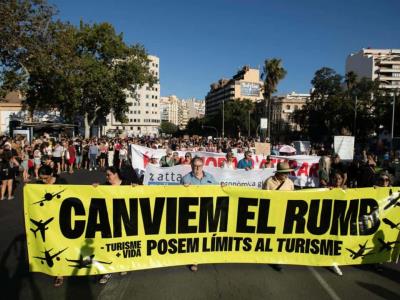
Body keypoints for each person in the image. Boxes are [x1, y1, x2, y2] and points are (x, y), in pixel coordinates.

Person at [96, 166, 132, 284]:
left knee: (123, 244)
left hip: (124, 220)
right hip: (109, 220)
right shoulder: (105, 186)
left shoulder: (127, 183)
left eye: (108, 175)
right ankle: (107, 270)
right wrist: (94, 189)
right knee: (109, 245)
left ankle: (122, 264)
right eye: (106, 175)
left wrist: (136, 188)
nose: (107, 177)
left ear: (116, 174)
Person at [181, 156, 217, 272]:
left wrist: (223, 187)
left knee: (205, 235)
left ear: (203, 166)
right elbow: (177, 196)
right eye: (195, 166)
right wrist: (182, 189)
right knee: (194, 237)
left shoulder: (210, 178)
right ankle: (194, 260)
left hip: (206, 210)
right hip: (192, 212)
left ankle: (204, 255)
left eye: (199, 166)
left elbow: (218, 190)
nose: (197, 168)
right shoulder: (186, 179)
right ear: (191, 166)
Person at [36, 165, 67, 287]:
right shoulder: (38, 184)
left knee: (61, 245)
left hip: (61, 219)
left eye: (46, 178)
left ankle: (60, 274)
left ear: (51, 175)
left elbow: (73, 193)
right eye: (42, 178)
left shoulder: (61, 182)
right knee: (50, 245)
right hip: (46, 219)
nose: (44, 181)